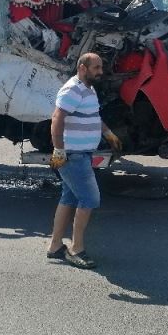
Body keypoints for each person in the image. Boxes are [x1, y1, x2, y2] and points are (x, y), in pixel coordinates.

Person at [46, 52, 121, 270]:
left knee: (68, 197)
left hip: (81, 154)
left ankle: (55, 246)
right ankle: (76, 249)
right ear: (82, 67)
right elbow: (57, 119)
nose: (100, 72)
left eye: (101, 67)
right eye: (96, 67)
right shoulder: (73, 89)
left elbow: (94, 117)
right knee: (90, 198)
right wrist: (59, 149)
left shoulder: (88, 89)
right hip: (72, 155)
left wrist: (108, 134)